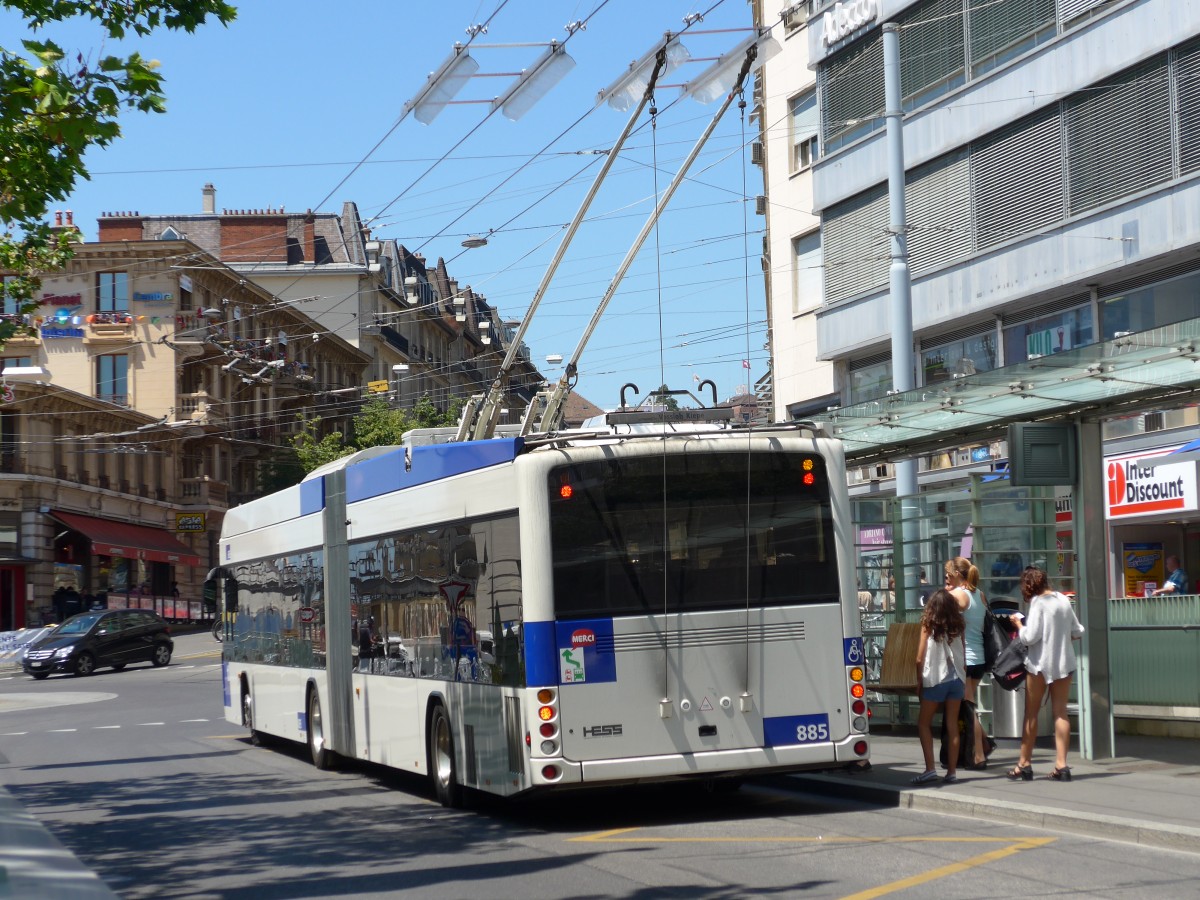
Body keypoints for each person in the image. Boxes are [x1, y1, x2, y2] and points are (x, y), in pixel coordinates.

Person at [1007, 566, 1085, 782]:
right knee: (1061, 713)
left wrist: (1018, 624)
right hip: (1064, 663)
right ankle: (1061, 765)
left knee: (1031, 714)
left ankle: (1024, 764)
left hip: (1040, 664)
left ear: (1028, 586)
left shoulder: (1038, 603)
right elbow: (1078, 630)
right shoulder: (1062, 599)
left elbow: (1030, 637)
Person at [911, 588, 967, 785]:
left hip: (936, 678)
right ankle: (951, 772)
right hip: (957, 678)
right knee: (952, 725)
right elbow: (964, 654)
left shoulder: (928, 624)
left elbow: (919, 658)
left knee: (924, 724)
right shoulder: (959, 624)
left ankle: (930, 769)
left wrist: (919, 680)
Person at [944, 556, 994, 769]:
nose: (946, 578)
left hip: (966, 659)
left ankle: (979, 755)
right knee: (968, 704)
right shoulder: (980, 594)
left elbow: (939, 607)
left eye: (948, 574)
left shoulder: (959, 594)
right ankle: (985, 743)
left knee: (968, 708)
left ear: (957, 574)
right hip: (980, 658)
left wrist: (945, 593)